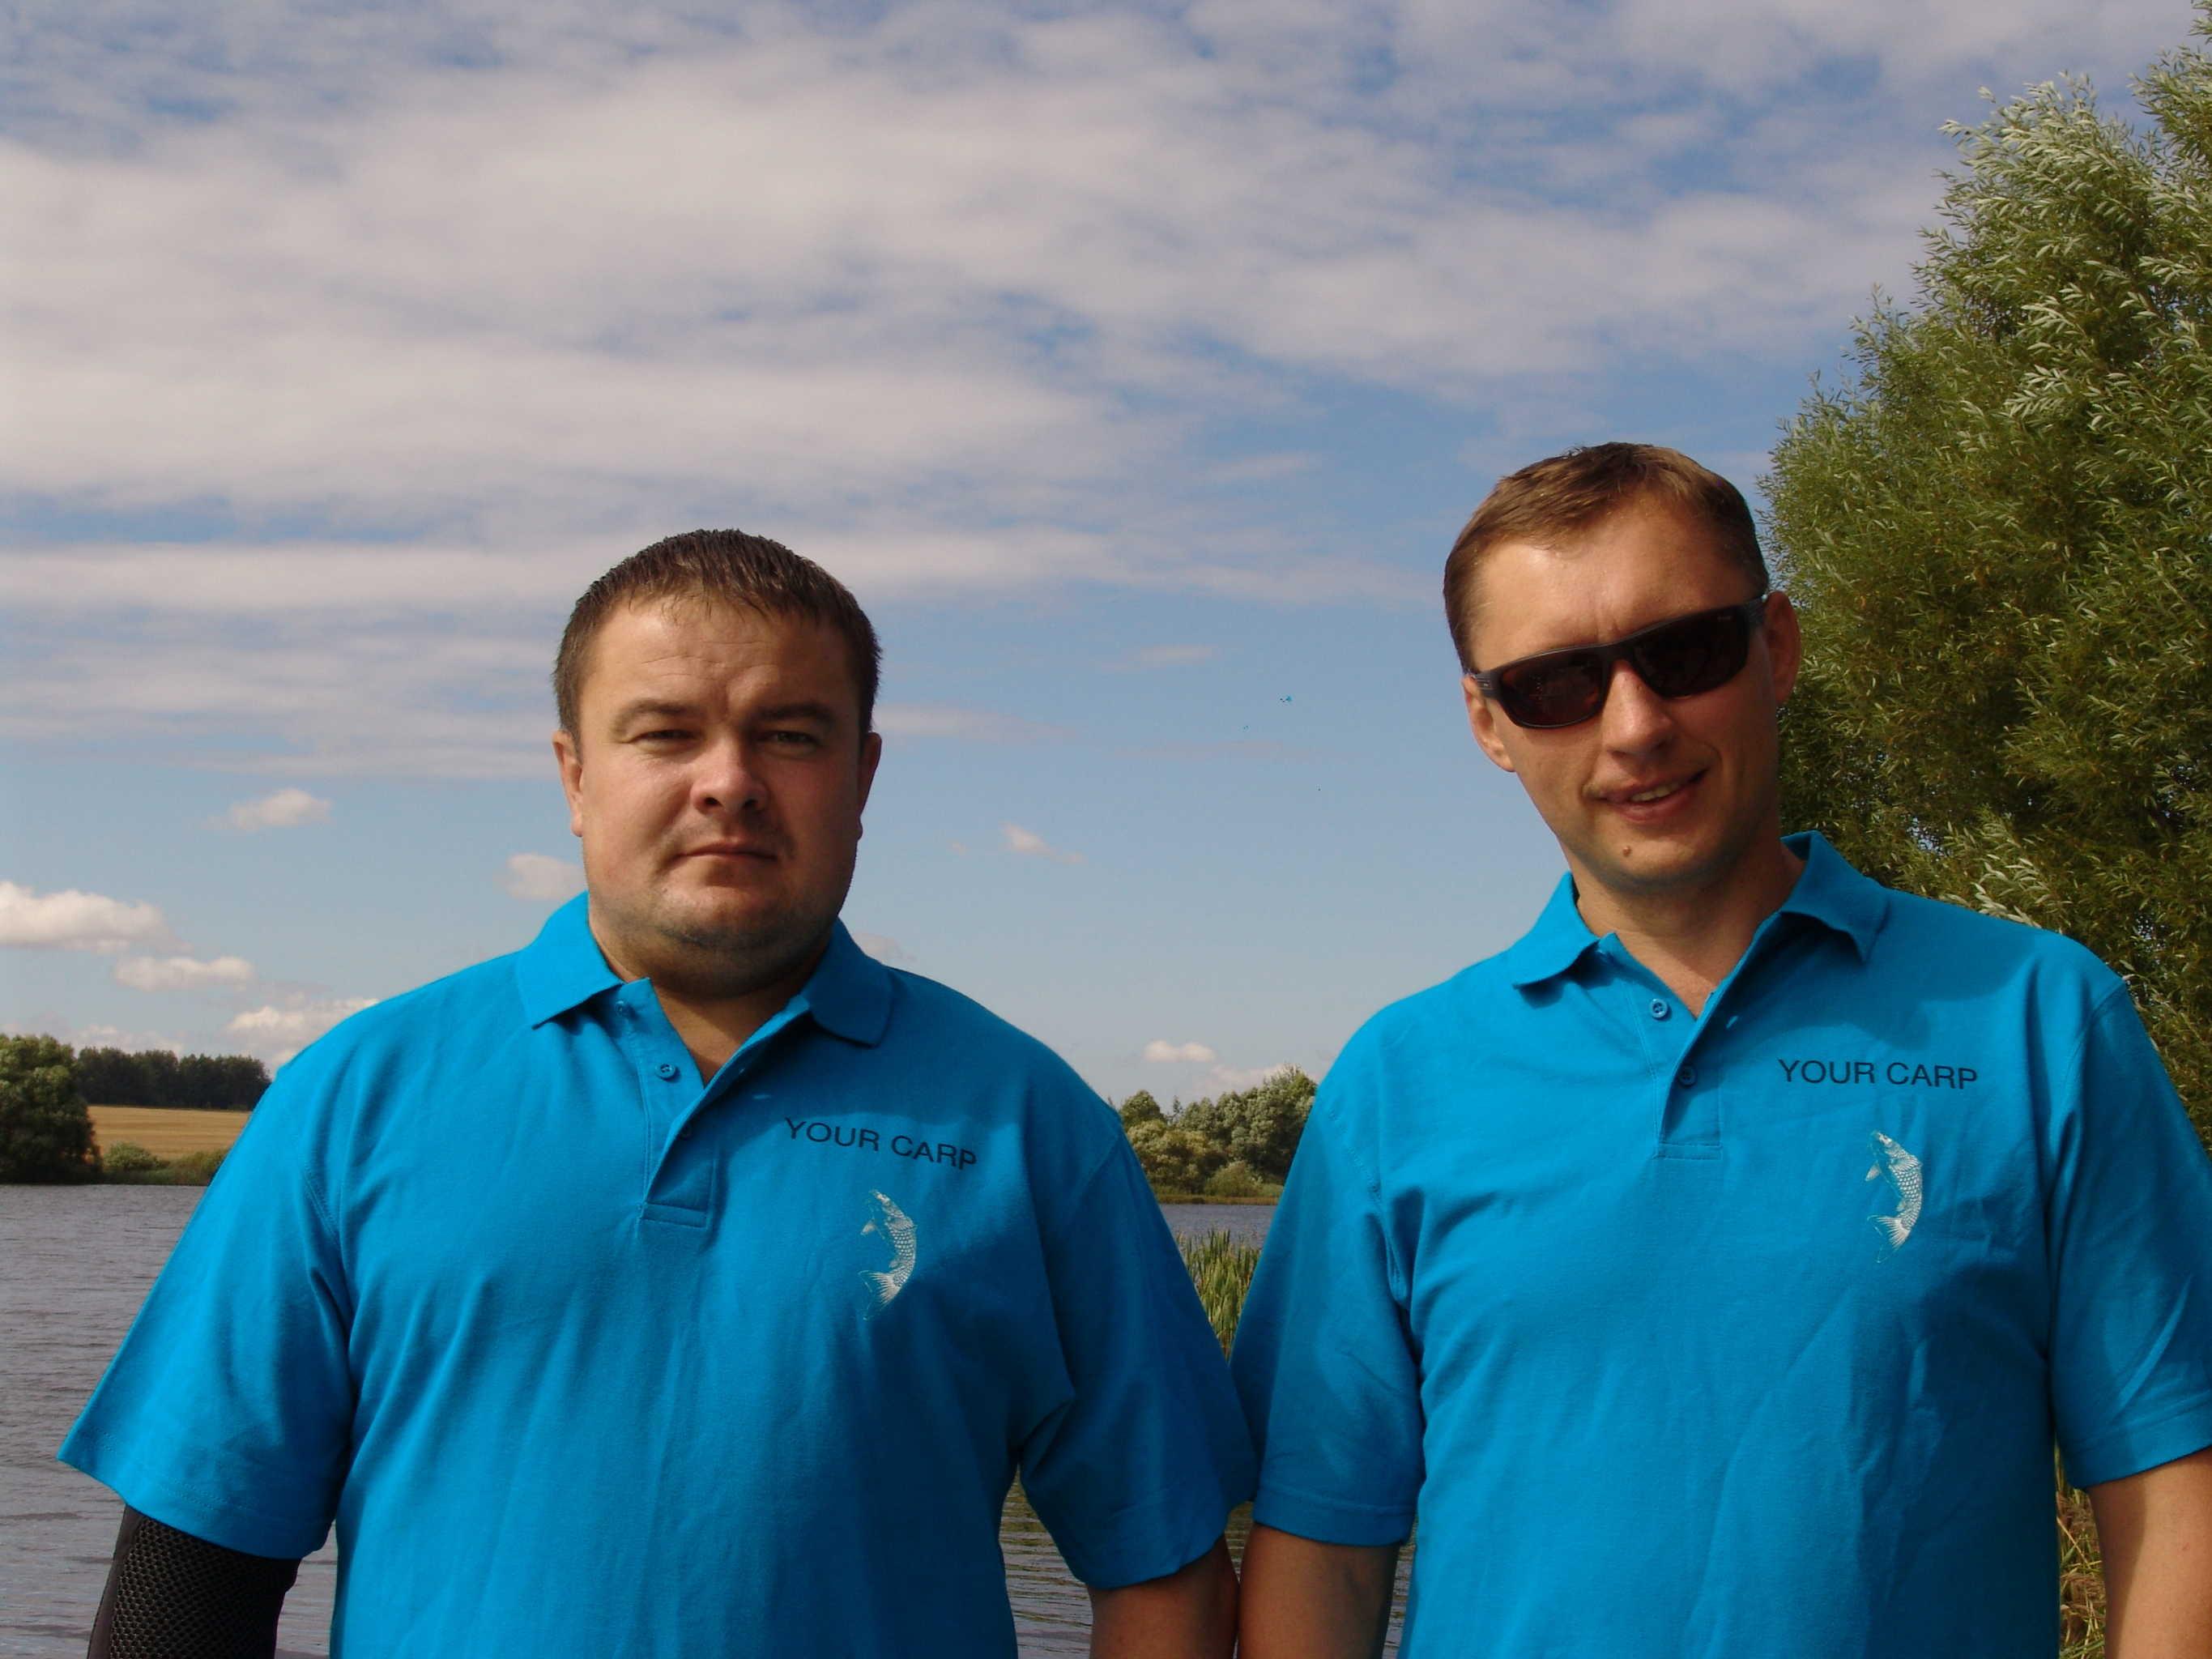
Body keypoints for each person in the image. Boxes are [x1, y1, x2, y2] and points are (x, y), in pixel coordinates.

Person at [62, 531, 1252, 1657]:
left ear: (863, 775)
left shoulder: (1031, 1125)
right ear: (575, 776)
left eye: (791, 735)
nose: (728, 782)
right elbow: (192, 1572)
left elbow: (1163, 1570)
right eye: (666, 733)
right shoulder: (353, 1099)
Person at [1231, 443, 2212, 1657]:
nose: (1636, 726)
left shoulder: (2041, 1021)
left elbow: (2176, 1482)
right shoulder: (1398, 1083)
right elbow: (1322, 1550)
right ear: (1489, 723)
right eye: (1555, 685)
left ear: (1777, 647)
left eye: (1686, 652)